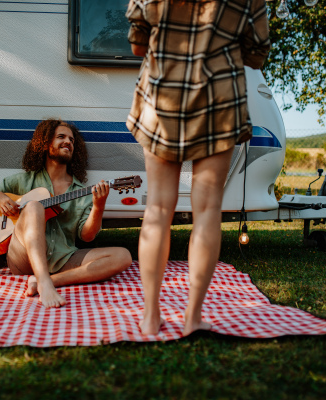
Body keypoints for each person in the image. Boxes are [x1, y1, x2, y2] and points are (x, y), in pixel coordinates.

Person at [126, 0, 270, 335]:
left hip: (162, 96)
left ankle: (150, 316)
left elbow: (137, 44)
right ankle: (192, 318)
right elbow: (256, 54)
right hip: (220, 98)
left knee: (158, 207)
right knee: (208, 210)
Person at [0, 119, 132, 308]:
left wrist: (98, 205)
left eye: (72, 140)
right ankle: (45, 281)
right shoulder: (24, 180)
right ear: (46, 143)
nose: (68, 142)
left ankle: (49, 281)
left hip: (64, 258)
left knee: (123, 256)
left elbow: (87, 236)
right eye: (61, 137)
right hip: (23, 259)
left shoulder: (81, 191)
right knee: (33, 206)